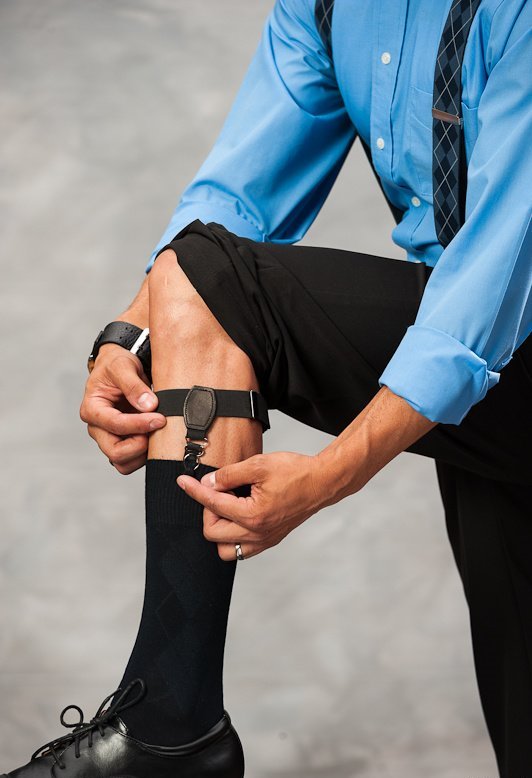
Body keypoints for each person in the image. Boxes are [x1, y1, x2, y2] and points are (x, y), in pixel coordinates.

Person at [4, 0, 530, 776]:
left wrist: (331, 475)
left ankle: (171, 727)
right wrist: (131, 337)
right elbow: (235, 199)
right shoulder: (324, 8)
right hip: (479, 377)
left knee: (216, 280)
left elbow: (498, 274)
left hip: (493, 329)